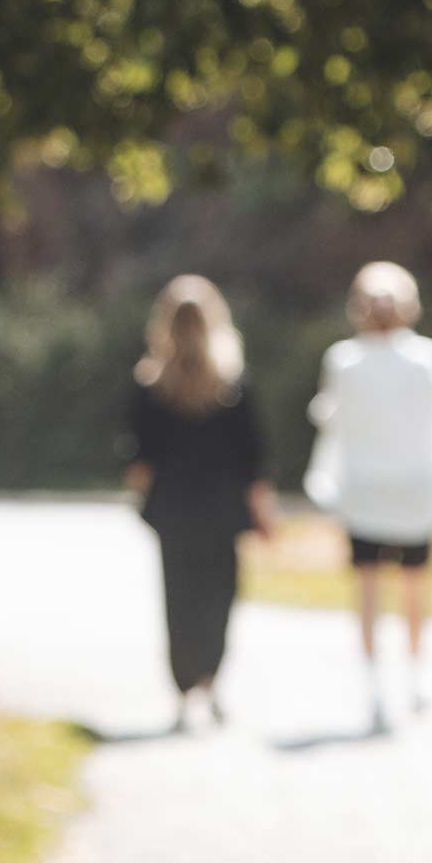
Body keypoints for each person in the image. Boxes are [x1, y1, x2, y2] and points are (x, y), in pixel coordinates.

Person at [304, 260, 432, 725]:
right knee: (412, 587)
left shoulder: (346, 360)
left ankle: (381, 683)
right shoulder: (426, 358)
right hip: (409, 488)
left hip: (372, 489)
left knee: (371, 588)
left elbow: (330, 418)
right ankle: (410, 677)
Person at [124, 274, 276, 730]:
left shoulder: (151, 384)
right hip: (222, 509)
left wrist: (141, 504)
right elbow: (254, 457)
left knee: (179, 598)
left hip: (173, 509)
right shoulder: (232, 383)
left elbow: (139, 458)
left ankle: (184, 687)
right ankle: (208, 683)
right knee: (219, 597)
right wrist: (263, 512)